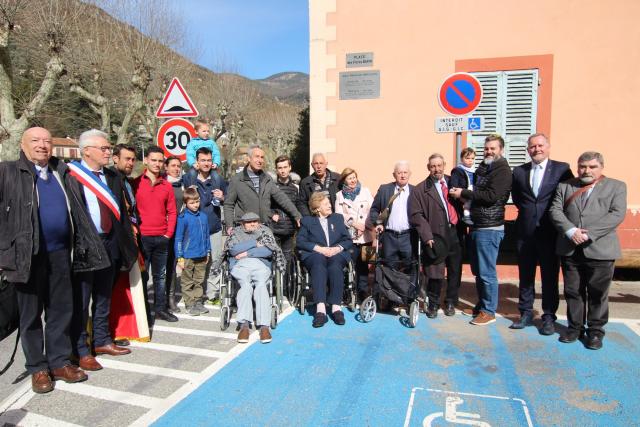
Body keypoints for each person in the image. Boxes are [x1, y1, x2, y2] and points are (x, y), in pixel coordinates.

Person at [0, 127, 103, 393]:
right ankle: (38, 367)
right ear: (23, 145)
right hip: (27, 256)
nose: (42, 145)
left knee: (61, 310)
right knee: (30, 315)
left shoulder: (63, 173)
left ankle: (58, 361)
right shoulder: (8, 172)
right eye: (35, 141)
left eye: (46, 141)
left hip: (61, 254)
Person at [67, 129, 139, 370]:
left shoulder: (112, 177)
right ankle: (80, 348)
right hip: (86, 244)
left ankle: (102, 340)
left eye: (109, 148)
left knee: (103, 295)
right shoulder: (70, 176)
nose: (109, 152)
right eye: (104, 148)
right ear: (86, 150)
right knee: (82, 298)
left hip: (111, 242)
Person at [549, 151, 626, 350]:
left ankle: (595, 332)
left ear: (601, 167)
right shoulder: (566, 186)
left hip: (600, 249)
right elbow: (555, 210)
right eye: (583, 166)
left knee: (597, 293)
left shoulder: (617, 186)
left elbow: (616, 214)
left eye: (592, 167)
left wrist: (588, 234)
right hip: (570, 248)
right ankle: (575, 328)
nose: (587, 170)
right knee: (573, 291)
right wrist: (571, 230)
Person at [510, 134, 573, 334]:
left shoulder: (562, 169)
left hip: (550, 231)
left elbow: (568, 198)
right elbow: (518, 198)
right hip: (525, 232)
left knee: (549, 276)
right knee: (525, 275)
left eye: (540, 145)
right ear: (528, 150)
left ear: (548, 147)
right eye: (532, 146)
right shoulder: (519, 171)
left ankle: (548, 317)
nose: (536, 149)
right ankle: (526, 312)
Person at [449, 134, 512, 326]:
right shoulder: (485, 167)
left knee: (486, 271)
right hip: (478, 224)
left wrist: (464, 193)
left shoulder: (502, 170)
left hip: (490, 227)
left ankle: (489, 311)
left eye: (493, 148)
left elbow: (492, 196)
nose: (489, 151)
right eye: (486, 148)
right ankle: (482, 305)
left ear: (501, 149)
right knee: (478, 270)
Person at [213, 212, 285, 344]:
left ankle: (264, 326)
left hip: (261, 264)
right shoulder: (236, 232)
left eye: (255, 221)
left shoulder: (265, 231)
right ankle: (244, 325)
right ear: (242, 224)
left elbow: (268, 250)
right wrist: (255, 243)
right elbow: (233, 250)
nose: (253, 224)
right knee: (245, 286)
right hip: (240, 265)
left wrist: (247, 252)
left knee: (262, 286)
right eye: (249, 222)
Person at [409, 154, 463, 318]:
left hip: (455, 231)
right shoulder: (420, 189)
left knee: (455, 269)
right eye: (433, 166)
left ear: (444, 165)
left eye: (439, 165)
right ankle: (433, 303)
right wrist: (427, 236)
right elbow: (416, 215)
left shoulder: (453, 182)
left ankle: (451, 302)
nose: (436, 169)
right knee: (435, 271)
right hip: (435, 236)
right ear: (428, 168)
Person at [109, 144, 149, 345]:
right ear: (115, 158)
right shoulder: (110, 179)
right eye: (127, 159)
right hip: (118, 241)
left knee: (129, 286)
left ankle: (124, 328)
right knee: (115, 289)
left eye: (133, 159)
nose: (131, 163)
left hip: (131, 238)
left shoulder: (125, 180)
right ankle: (112, 331)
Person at [133, 146, 178, 323]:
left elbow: (172, 212)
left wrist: (168, 234)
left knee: (160, 276)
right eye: (154, 160)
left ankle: (160, 308)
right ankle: (143, 310)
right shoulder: (135, 183)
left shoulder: (167, 186)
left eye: (160, 161)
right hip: (142, 238)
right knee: (143, 277)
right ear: (146, 160)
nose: (157, 164)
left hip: (161, 238)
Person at [297, 192, 353, 328]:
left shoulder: (337, 218)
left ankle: (336, 307)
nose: (330, 206)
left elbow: (347, 240)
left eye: (329, 203)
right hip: (315, 254)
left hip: (335, 253)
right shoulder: (307, 221)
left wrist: (337, 248)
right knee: (318, 263)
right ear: (317, 208)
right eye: (326, 204)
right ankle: (320, 309)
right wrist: (319, 249)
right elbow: (300, 241)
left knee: (335, 265)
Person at [182, 147, 227, 305]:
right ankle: (195, 293)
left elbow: (228, 199)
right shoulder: (189, 178)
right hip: (195, 228)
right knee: (197, 261)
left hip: (213, 227)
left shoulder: (218, 180)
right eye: (203, 160)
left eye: (209, 160)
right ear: (197, 162)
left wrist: (222, 197)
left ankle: (212, 293)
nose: (206, 163)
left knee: (215, 261)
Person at [223, 145, 301, 230]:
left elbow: (281, 198)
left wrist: (296, 215)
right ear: (249, 158)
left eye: (262, 157)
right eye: (257, 157)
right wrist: (229, 225)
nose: (260, 160)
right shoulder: (237, 180)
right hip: (244, 228)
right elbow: (228, 204)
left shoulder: (267, 179)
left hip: (264, 227)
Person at [367, 161, 416, 277]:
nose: (403, 175)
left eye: (405, 172)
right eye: (399, 173)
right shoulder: (385, 190)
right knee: (389, 268)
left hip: (408, 237)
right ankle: (390, 294)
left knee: (410, 267)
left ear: (409, 174)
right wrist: (377, 223)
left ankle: (408, 294)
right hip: (389, 237)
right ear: (394, 175)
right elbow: (374, 209)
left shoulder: (415, 191)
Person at [334, 167, 374, 300]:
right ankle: (350, 292)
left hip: (367, 235)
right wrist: (354, 223)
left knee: (364, 266)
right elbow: (339, 215)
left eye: (354, 177)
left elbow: (373, 210)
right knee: (350, 265)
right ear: (344, 180)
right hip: (349, 235)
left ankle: (363, 292)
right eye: (349, 178)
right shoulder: (339, 195)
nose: (353, 180)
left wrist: (365, 226)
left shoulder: (366, 191)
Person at [174, 187, 211, 316]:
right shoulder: (183, 218)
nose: (195, 205)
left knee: (199, 280)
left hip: (201, 254)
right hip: (188, 255)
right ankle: (190, 304)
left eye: (197, 202)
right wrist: (180, 257)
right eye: (192, 202)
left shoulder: (203, 217)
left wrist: (208, 251)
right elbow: (178, 239)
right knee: (187, 281)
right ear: (186, 203)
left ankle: (198, 301)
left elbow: (206, 235)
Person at [271, 155, 301, 264]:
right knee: (275, 260)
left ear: (290, 168)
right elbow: (264, 205)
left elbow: (298, 207)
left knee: (288, 260)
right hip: (275, 228)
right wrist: (271, 214)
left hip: (290, 230)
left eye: (285, 167)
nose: (283, 170)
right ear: (276, 170)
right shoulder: (271, 187)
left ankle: (286, 281)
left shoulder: (295, 188)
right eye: (280, 168)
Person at [164, 155, 184, 312]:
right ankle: (159, 297)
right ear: (166, 167)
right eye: (173, 166)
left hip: (177, 230)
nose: (176, 168)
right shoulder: (161, 183)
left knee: (172, 264)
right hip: (161, 229)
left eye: (178, 166)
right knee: (159, 267)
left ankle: (170, 298)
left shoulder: (182, 185)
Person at [449, 147, 476, 225]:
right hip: (462, 194)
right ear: (461, 159)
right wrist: (454, 190)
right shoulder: (458, 170)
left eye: (472, 158)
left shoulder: (474, 171)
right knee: (467, 204)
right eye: (467, 158)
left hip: (472, 192)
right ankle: (466, 216)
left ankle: (471, 216)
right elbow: (454, 183)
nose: (470, 160)